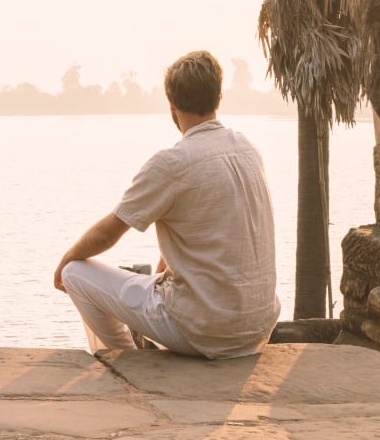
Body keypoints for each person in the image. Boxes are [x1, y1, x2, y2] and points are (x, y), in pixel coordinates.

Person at [52, 50, 279, 359]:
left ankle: (124, 361)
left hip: (204, 330)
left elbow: (109, 232)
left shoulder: (173, 163)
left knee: (75, 273)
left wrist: (67, 257)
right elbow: (216, 222)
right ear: (219, 97)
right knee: (155, 280)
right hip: (256, 328)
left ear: (171, 104)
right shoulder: (247, 149)